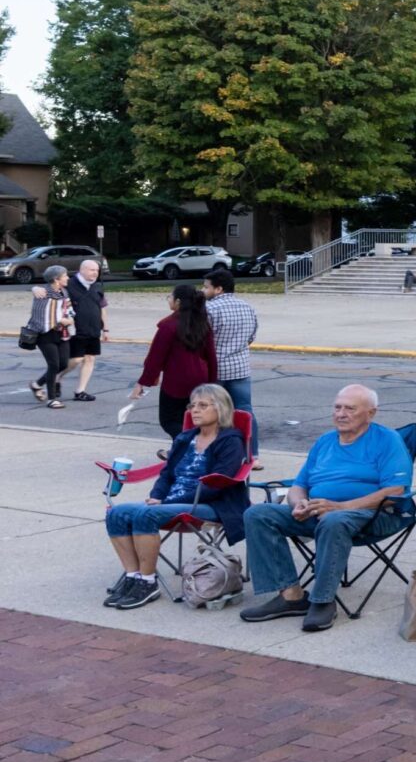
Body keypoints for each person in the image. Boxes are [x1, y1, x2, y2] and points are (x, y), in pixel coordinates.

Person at [239, 382, 414, 633]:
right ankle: (291, 596)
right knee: (258, 514)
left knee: (334, 521)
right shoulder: (325, 441)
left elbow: (395, 491)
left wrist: (341, 506)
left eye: (350, 409)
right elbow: (300, 485)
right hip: (321, 511)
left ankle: (322, 601)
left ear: (371, 413)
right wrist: (298, 502)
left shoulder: (388, 440)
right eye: (337, 407)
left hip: (372, 514)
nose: (341, 414)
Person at [102, 382, 249, 609]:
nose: (195, 410)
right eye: (192, 405)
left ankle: (148, 583)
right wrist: (157, 496)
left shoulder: (231, 440)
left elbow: (217, 484)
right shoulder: (185, 438)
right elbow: (167, 473)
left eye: (202, 405)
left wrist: (167, 502)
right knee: (116, 514)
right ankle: (133, 576)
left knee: (145, 515)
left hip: (211, 504)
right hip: (172, 503)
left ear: (220, 408)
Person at [130, 282, 221, 438]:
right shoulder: (201, 323)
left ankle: (188, 444)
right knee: (193, 418)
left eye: (170, 296)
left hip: (176, 381)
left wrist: (143, 382)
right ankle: (183, 448)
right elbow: (211, 356)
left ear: (178, 302)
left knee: (169, 420)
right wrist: (212, 382)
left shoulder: (169, 326)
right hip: (200, 378)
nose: (169, 299)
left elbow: (155, 358)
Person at [202, 264, 261, 449]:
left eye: (206, 287)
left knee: (211, 412)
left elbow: (203, 339)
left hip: (216, 369)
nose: (203, 291)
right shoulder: (247, 307)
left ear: (218, 289)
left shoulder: (209, 309)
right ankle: (253, 453)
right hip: (241, 368)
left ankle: (214, 449)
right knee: (245, 411)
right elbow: (251, 336)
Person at [24, 266, 76, 408]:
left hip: (62, 334)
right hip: (45, 334)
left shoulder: (64, 292)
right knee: (53, 365)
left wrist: (69, 319)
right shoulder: (43, 293)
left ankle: (36, 384)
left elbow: (69, 310)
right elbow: (41, 316)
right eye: (65, 276)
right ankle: (52, 399)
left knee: (63, 364)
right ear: (56, 279)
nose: (67, 278)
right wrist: (60, 320)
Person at [65, 257, 108, 404]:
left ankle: (80, 391)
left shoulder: (96, 286)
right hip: (76, 330)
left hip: (94, 329)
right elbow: (50, 288)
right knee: (76, 359)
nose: (95, 273)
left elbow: (103, 308)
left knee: (90, 359)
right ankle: (56, 377)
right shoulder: (69, 284)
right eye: (92, 270)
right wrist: (36, 289)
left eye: (97, 270)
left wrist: (106, 329)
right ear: (82, 270)